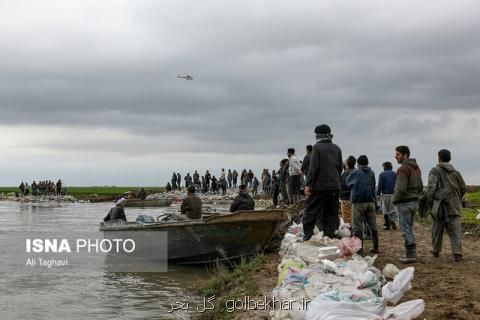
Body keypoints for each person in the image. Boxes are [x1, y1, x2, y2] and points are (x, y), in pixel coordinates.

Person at [426, 149, 466, 262]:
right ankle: (458, 254)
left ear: (439, 157)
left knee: (436, 229)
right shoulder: (456, 172)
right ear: (450, 158)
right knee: (455, 232)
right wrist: (457, 199)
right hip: (454, 207)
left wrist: (430, 202)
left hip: (439, 206)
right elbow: (463, 188)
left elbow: (431, 188)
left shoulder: (434, 171)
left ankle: (435, 251)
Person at [303, 124, 342, 240]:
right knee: (331, 211)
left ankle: (308, 235)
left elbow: (313, 168)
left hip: (320, 186)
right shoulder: (337, 148)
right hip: (334, 185)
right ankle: (328, 235)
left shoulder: (317, 147)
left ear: (318, 135)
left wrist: (308, 184)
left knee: (311, 210)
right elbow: (340, 168)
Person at [393, 145, 423, 264]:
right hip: (414, 201)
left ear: (405, 155)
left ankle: (411, 255)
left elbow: (401, 188)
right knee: (409, 228)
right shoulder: (416, 168)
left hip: (405, 203)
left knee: (406, 229)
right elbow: (420, 185)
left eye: (398, 154)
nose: (396, 156)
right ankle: (411, 253)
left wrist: (395, 200)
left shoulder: (403, 169)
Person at [346, 155, 379, 254]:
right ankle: (376, 247)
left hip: (358, 203)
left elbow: (347, 183)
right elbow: (373, 186)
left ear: (358, 163)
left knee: (357, 227)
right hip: (370, 202)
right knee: (373, 226)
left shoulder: (356, 172)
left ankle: (360, 249)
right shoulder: (372, 172)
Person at [377, 161, 398, 230]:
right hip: (393, 194)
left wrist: (378, 194)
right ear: (391, 167)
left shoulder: (382, 174)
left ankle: (387, 225)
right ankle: (392, 220)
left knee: (385, 211)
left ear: (384, 167)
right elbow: (397, 184)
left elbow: (380, 185)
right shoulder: (395, 174)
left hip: (385, 194)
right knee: (393, 210)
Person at [340, 156, 356, 225]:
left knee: (347, 220)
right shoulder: (357, 172)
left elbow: (342, 186)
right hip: (356, 198)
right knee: (355, 218)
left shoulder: (345, 174)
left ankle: (351, 234)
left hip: (346, 199)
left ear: (347, 164)